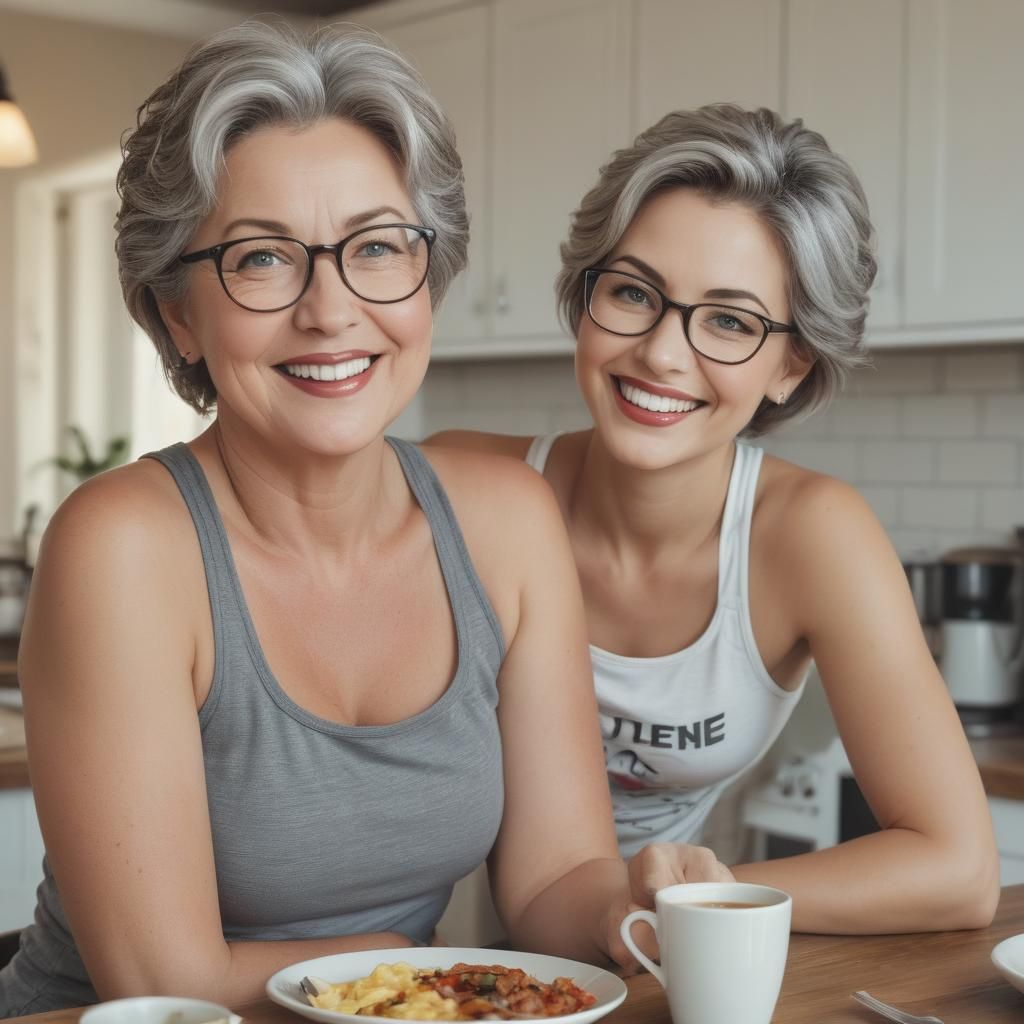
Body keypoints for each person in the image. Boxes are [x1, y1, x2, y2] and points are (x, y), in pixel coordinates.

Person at [0, 22, 679, 1017]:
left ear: (427, 276)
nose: (331, 310)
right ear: (178, 313)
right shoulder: (125, 549)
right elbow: (168, 982)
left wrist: (640, 907)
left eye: (375, 246)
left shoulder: (506, 524)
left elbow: (548, 885)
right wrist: (426, 962)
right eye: (263, 258)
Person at [428, 104, 1000, 934]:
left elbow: (959, 868)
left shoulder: (813, 535)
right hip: (449, 949)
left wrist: (699, 901)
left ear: (789, 365)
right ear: (584, 301)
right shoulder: (464, 486)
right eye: (633, 292)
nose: (663, 353)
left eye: (729, 320)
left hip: (673, 953)